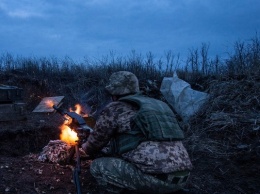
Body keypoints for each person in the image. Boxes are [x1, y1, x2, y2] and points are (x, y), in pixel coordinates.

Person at [81, 71, 193, 194]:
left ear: (114, 92)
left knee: (97, 167)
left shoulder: (115, 107)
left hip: (156, 180)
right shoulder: (160, 105)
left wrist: (84, 146)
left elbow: (95, 144)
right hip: (183, 178)